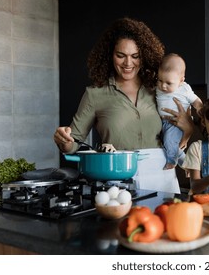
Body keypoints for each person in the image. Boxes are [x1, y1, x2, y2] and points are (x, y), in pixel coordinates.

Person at [53, 17, 194, 194]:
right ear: (110, 55)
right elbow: (73, 142)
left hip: (162, 177)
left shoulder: (158, 89)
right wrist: (63, 140)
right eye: (121, 55)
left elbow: (176, 134)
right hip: (117, 181)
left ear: (144, 56)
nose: (128, 63)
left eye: (135, 56)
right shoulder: (95, 94)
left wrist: (188, 129)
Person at [156, 53, 203, 170]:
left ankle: (172, 161)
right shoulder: (158, 87)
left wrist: (200, 109)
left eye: (168, 83)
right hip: (164, 123)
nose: (163, 86)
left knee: (169, 142)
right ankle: (186, 163)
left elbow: (195, 100)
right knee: (168, 145)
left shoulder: (184, 90)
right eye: (160, 80)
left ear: (181, 80)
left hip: (175, 123)